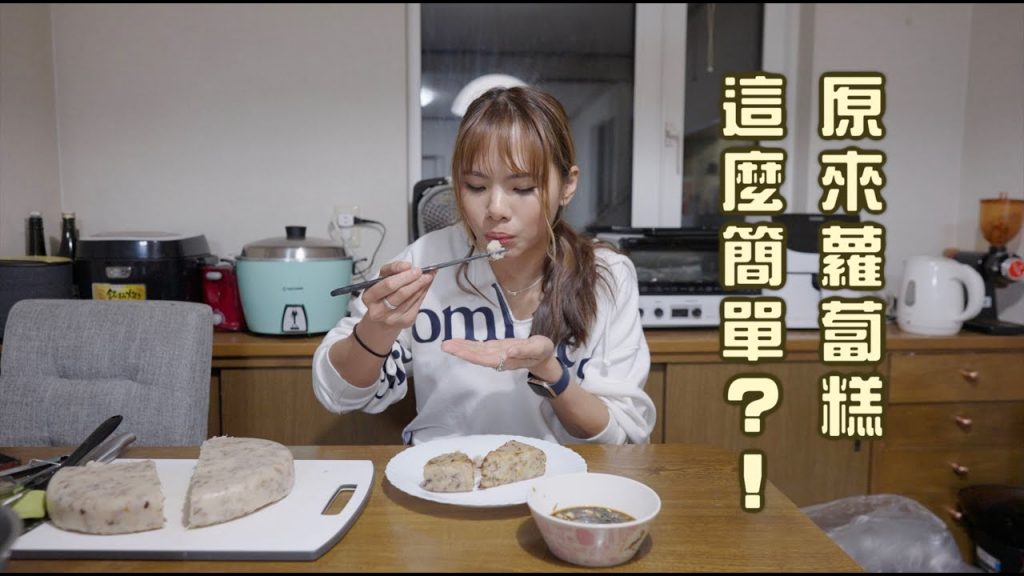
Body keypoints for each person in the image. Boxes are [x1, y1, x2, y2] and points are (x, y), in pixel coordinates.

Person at [312, 86, 655, 445]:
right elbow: (338, 394)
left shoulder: (607, 275)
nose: (495, 210)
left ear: (568, 185)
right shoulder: (424, 261)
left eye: (522, 188)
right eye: (475, 186)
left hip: (562, 478)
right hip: (442, 471)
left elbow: (621, 436)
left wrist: (550, 373)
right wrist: (377, 328)